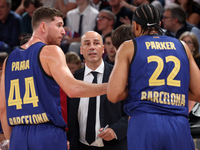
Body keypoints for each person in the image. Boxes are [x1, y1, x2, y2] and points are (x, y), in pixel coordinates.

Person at [0, 7, 107, 150]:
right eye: (59, 25)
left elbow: (2, 108)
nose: (63, 31)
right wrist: (110, 86)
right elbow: (73, 89)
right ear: (43, 27)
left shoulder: (9, 59)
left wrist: (11, 140)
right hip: (46, 133)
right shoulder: (50, 51)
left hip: (18, 135)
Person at [107, 4, 200, 150]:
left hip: (145, 122)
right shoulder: (182, 45)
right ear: (160, 24)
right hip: (178, 124)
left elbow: (113, 94)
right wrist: (168, 91)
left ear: (135, 26)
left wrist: (143, 88)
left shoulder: (129, 46)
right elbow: (198, 92)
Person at [67, 31, 128, 150]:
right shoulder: (73, 79)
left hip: (113, 145)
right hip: (80, 146)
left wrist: (116, 130)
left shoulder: (118, 74)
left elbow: (132, 111)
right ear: (81, 50)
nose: (92, 47)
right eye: (87, 44)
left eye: (96, 43)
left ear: (102, 48)